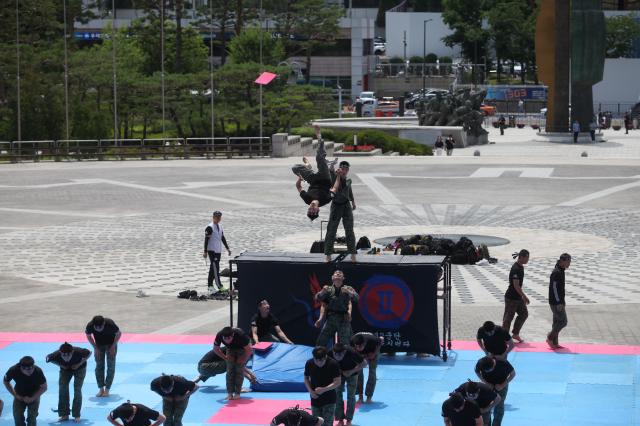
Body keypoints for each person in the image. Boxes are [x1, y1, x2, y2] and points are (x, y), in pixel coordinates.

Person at [293, 125, 337, 221]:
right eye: (314, 211)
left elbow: (299, 187)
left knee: (295, 168)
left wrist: (299, 179)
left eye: (309, 210)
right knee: (320, 158)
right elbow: (334, 189)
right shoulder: (326, 200)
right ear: (318, 210)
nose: (311, 208)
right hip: (325, 178)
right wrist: (333, 173)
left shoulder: (307, 199)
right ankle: (319, 138)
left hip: (313, 180)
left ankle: (308, 165)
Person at [45, 342, 91, 422]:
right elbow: (48, 359)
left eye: (68, 355)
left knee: (77, 389)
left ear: (72, 352)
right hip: (65, 370)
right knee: (62, 389)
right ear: (60, 353)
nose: (66, 357)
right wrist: (61, 365)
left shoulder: (78, 351)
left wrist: (79, 363)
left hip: (80, 368)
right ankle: (64, 414)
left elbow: (89, 353)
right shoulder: (56, 354)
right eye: (63, 355)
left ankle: (76, 414)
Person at [315, 270, 358, 347]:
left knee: (345, 344)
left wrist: (349, 292)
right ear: (332, 278)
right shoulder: (328, 289)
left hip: (343, 319)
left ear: (343, 278)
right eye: (336, 274)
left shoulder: (348, 288)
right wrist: (322, 292)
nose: (338, 274)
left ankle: (346, 358)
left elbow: (356, 298)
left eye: (340, 274)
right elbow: (318, 300)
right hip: (331, 318)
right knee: (321, 341)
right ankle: (321, 358)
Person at [324, 162, 356, 262]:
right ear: (340, 169)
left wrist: (353, 201)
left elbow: (349, 190)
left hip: (346, 205)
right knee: (331, 230)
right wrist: (333, 169)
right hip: (336, 206)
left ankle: (353, 253)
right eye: (343, 168)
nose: (345, 170)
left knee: (349, 230)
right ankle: (328, 254)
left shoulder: (348, 180)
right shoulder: (335, 177)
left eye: (346, 169)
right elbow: (332, 174)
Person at [3, 356, 47, 426]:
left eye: (30, 368)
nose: (29, 371)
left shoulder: (38, 371)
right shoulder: (13, 370)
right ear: (21, 367)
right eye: (26, 369)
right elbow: (5, 382)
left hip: (34, 392)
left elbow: (44, 387)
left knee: (32, 416)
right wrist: (15, 395)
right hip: (19, 392)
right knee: (17, 415)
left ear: (33, 366)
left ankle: (34, 412)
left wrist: (32, 398)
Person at [329, 343, 366, 426]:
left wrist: (351, 371)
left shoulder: (351, 352)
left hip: (352, 373)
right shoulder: (330, 353)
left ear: (344, 351)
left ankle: (349, 420)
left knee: (351, 396)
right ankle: (340, 419)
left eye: (340, 354)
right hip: (338, 375)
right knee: (337, 395)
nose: (338, 357)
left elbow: (364, 363)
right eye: (336, 354)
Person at [304, 347, 342, 426]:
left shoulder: (333, 364)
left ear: (325, 357)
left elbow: (338, 382)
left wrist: (324, 389)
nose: (318, 363)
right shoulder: (309, 363)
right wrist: (311, 391)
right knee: (316, 423)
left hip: (329, 399)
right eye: (316, 360)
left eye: (321, 360)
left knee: (327, 424)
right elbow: (306, 378)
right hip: (315, 399)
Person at [213, 326, 253, 400]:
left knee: (239, 371)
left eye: (229, 338)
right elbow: (215, 349)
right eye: (225, 339)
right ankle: (230, 393)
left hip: (243, 349)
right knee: (229, 372)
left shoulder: (240, 335)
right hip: (230, 349)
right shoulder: (219, 335)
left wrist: (243, 359)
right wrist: (225, 358)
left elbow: (249, 350)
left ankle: (237, 393)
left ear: (233, 335)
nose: (227, 340)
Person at [85, 315, 121, 397]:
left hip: (111, 344)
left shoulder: (110, 323)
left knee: (111, 366)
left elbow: (119, 334)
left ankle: (107, 389)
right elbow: (88, 336)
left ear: (104, 323)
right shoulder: (90, 325)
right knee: (99, 366)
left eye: (100, 327)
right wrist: (95, 348)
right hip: (98, 345)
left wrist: (113, 346)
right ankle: (101, 389)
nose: (98, 329)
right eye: (96, 327)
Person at [474, 356, 516, 426]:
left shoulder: (503, 362)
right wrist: (485, 382)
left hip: (501, 384)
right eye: (486, 371)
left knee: (499, 406)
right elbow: (477, 371)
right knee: (486, 405)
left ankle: (496, 424)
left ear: (493, 364)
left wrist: (502, 385)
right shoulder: (481, 362)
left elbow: (513, 374)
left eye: (489, 370)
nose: (488, 372)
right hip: (487, 385)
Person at [502, 249, 530, 343]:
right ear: (521, 257)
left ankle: (515, 333)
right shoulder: (515, 268)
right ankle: (504, 338)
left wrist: (521, 297)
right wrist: (524, 296)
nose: (527, 260)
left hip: (518, 297)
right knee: (508, 319)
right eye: (526, 258)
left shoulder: (520, 267)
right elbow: (516, 285)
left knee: (524, 314)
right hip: (511, 298)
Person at [547, 253, 572, 349]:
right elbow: (554, 288)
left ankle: (554, 343)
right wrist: (559, 302)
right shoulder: (557, 272)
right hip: (555, 302)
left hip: (558, 301)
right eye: (568, 262)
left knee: (557, 322)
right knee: (563, 321)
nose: (569, 264)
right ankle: (550, 337)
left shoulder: (561, 270)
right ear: (563, 261)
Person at [203, 210, 232, 295]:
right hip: (212, 251)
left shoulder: (220, 226)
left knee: (213, 269)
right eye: (217, 217)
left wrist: (227, 248)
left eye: (219, 217)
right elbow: (206, 240)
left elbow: (222, 237)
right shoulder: (209, 227)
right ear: (213, 217)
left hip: (218, 251)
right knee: (216, 269)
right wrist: (205, 251)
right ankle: (219, 286)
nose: (218, 218)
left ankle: (210, 286)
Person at [350, 332, 383, 404]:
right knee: (358, 372)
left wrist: (374, 353)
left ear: (364, 343)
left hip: (372, 350)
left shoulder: (373, 340)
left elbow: (381, 340)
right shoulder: (352, 341)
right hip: (360, 354)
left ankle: (369, 397)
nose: (359, 348)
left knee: (372, 372)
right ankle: (360, 396)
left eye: (360, 346)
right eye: (357, 346)